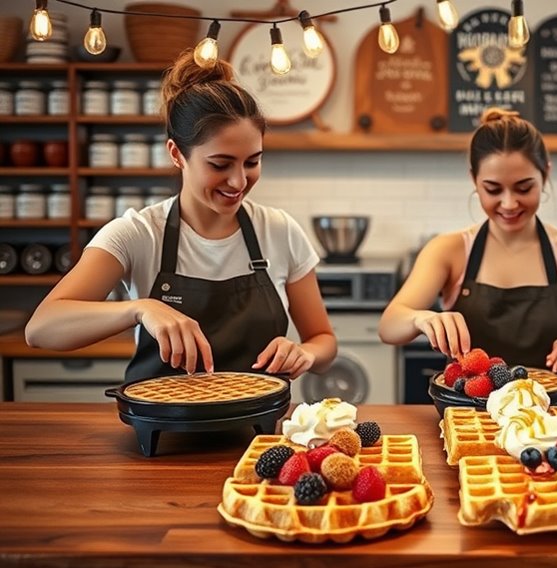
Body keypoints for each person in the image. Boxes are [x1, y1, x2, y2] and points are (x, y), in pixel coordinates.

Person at [25, 50, 336, 383]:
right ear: (176, 154)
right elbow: (41, 328)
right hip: (163, 416)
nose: (238, 182)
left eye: (252, 162)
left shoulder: (279, 231)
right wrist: (141, 309)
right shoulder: (138, 234)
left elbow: (323, 341)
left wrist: (305, 352)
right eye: (220, 164)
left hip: (261, 418)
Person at [379, 108, 557, 379]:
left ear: (545, 174)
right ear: (474, 180)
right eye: (493, 189)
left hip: (547, 406)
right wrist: (421, 318)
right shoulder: (448, 250)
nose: (509, 203)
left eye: (524, 188)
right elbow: (389, 327)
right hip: (468, 406)